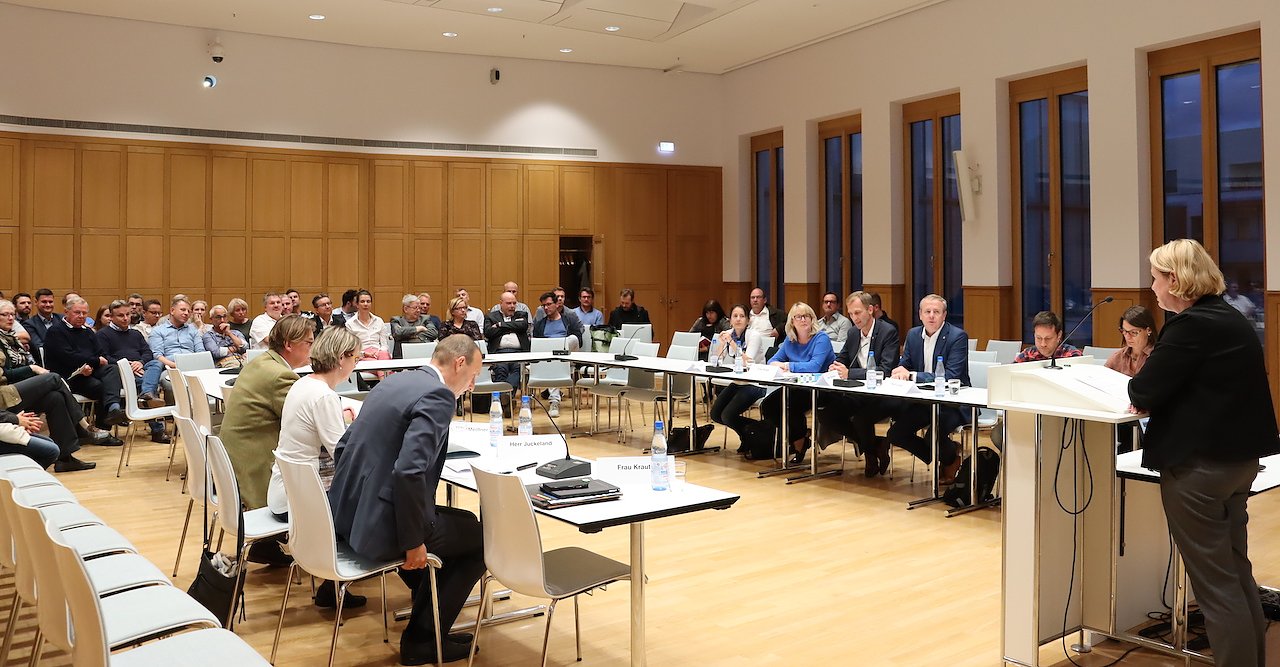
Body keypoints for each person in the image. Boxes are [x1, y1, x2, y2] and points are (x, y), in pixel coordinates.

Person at [1128, 238, 1278, 667]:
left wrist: (1148, 395)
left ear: (1175, 280)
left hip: (1199, 470)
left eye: (1155, 278)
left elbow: (1144, 389)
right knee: (1236, 575)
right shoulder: (1229, 317)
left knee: (1216, 588)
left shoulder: (1190, 326)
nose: (1152, 287)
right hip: (1237, 464)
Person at [328, 335, 486, 665]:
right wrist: (413, 542)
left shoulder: (395, 381)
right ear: (459, 363)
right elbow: (409, 472)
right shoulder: (439, 395)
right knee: (481, 542)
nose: (472, 385)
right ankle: (422, 641)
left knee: (466, 523)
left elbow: (343, 447)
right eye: (473, 376)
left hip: (348, 517)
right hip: (381, 529)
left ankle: (426, 600)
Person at [264, 325, 360, 608]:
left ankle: (334, 585)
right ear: (341, 358)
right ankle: (338, 579)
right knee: (372, 502)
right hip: (300, 502)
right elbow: (342, 454)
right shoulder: (324, 396)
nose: (356, 364)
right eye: (355, 358)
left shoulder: (303, 384)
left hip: (284, 493)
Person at [219, 315, 314, 566]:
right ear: (289, 344)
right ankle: (322, 551)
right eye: (308, 342)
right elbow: (304, 421)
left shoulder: (261, 362)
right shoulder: (280, 376)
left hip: (236, 454)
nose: (312, 348)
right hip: (255, 461)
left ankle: (269, 545)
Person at [885, 294, 970, 483]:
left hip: (952, 402)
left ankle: (947, 459)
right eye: (927, 311)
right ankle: (948, 456)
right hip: (922, 400)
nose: (931, 316)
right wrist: (899, 371)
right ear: (920, 314)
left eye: (936, 312)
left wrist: (912, 376)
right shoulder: (913, 335)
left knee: (934, 435)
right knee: (896, 434)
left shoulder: (957, 337)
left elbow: (950, 376)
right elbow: (905, 364)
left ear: (944, 315)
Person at [815, 291, 900, 476]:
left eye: (858, 312)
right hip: (859, 393)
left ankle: (870, 455)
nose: (854, 318)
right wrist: (835, 366)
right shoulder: (853, 332)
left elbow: (885, 370)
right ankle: (874, 445)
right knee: (827, 415)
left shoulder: (888, 331)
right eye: (851, 314)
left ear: (870, 310)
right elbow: (844, 357)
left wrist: (850, 373)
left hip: (883, 395)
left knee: (862, 418)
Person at [759, 302, 836, 465]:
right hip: (798, 387)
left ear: (812, 319)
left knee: (791, 405)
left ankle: (799, 443)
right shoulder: (790, 339)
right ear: (792, 321)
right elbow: (772, 360)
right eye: (798, 317)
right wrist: (779, 364)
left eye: (806, 316)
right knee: (768, 406)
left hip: (822, 389)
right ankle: (799, 437)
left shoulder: (821, 338)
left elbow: (814, 366)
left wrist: (788, 365)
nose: (803, 320)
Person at [42, 296, 130, 429]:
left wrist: (92, 363)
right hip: (68, 376)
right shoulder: (56, 331)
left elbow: (100, 353)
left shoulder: (87, 331)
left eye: (84, 313)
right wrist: (93, 361)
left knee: (112, 369)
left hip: (90, 371)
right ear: (66, 312)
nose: (81, 316)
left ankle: (114, 409)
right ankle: (102, 428)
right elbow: (68, 357)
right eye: (77, 312)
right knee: (101, 386)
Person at [98, 300, 170, 443]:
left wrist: (140, 362)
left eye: (128, 314)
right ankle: (157, 429)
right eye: (120, 315)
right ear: (111, 317)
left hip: (140, 370)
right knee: (148, 384)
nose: (125, 318)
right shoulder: (103, 334)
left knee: (156, 363)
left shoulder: (135, 333)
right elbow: (104, 357)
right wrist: (127, 365)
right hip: (119, 374)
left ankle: (146, 394)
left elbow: (147, 353)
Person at [709, 304, 766, 449]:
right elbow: (717, 358)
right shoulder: (728, 334)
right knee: (716, 414)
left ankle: (756, 432)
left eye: (742, 316)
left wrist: (732, 342)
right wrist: (721, 343)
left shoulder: (754, 336)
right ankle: (750, 433)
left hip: (756, 383)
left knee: (728, 415)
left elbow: (748, 361)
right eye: (735, 316)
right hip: (739, 381)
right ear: (730, 320)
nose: (738, 319)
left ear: (748, 320)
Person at [531, 290, 583, 417]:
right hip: (549, 358)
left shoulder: (568, 320)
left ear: (556, 304)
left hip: (568, 354)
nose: (546, 308)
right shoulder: (540, 324)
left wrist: (561, 346)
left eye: (549, 304)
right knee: (554, 362)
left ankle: (558, 351)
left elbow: (579, 340)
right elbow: (537, 345)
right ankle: (554, 401)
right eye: (544, 305)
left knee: (573, 338)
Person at [484, 292, 530, 417]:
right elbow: (488, 332)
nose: (512, 306)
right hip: (499, 353)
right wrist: (512, 327)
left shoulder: (522, 314)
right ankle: (507, 401)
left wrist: (500, 325)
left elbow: (522, 326)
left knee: (517, 370)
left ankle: (505, 399)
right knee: (501, 370)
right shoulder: (491, 316)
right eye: (509, 303)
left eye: (514, 303)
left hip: (519, 353)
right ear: (501, 303)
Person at [439, 296, 485, 417]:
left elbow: (477, 340)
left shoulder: (472, 324)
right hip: (451, 359)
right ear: (452, 311)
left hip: (469, 358)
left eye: (465, 308)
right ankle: (457, 401)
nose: (463, 310)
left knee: (465, 368)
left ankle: (460, 401)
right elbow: (443, 343)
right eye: (460, 308)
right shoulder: (445, 325)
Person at [148, 297, 202, 369]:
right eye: (183, 310)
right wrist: (177, 366)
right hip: (170, 368)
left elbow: (201, 352)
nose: (186, 313)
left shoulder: (193, 330)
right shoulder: (158, 331)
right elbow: (157, 356)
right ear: (172, 311)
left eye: (189, 311)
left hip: (193, 366)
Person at [1105, 305, 1157, 377]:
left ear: (1148, 330)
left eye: (1133, 332)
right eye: (1124, 331)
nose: (1127, 337)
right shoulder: (1117, 357)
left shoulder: (1158, 356)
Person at [1012, 311, 1082, 363]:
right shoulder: (1027, 355)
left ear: (1059, 335)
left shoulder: (1072, 355)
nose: (1043, 344)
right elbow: (1009, 375)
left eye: (1048, 338)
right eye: (1039, 338)